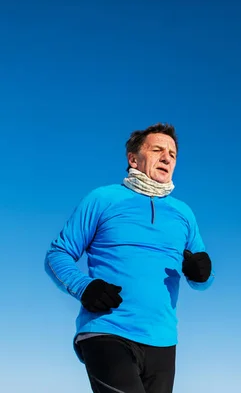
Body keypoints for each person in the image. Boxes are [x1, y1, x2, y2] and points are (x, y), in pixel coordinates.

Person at [44, 123, 214, 393]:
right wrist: (84, 286)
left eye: (172, 153)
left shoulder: (183, 213)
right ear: (133, 159)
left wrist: (202, 273)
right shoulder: (103, 199)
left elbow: (203, 279)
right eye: (157, 149)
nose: (167, 157)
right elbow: (58, 254)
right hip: (109, 329)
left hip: (163, 339)